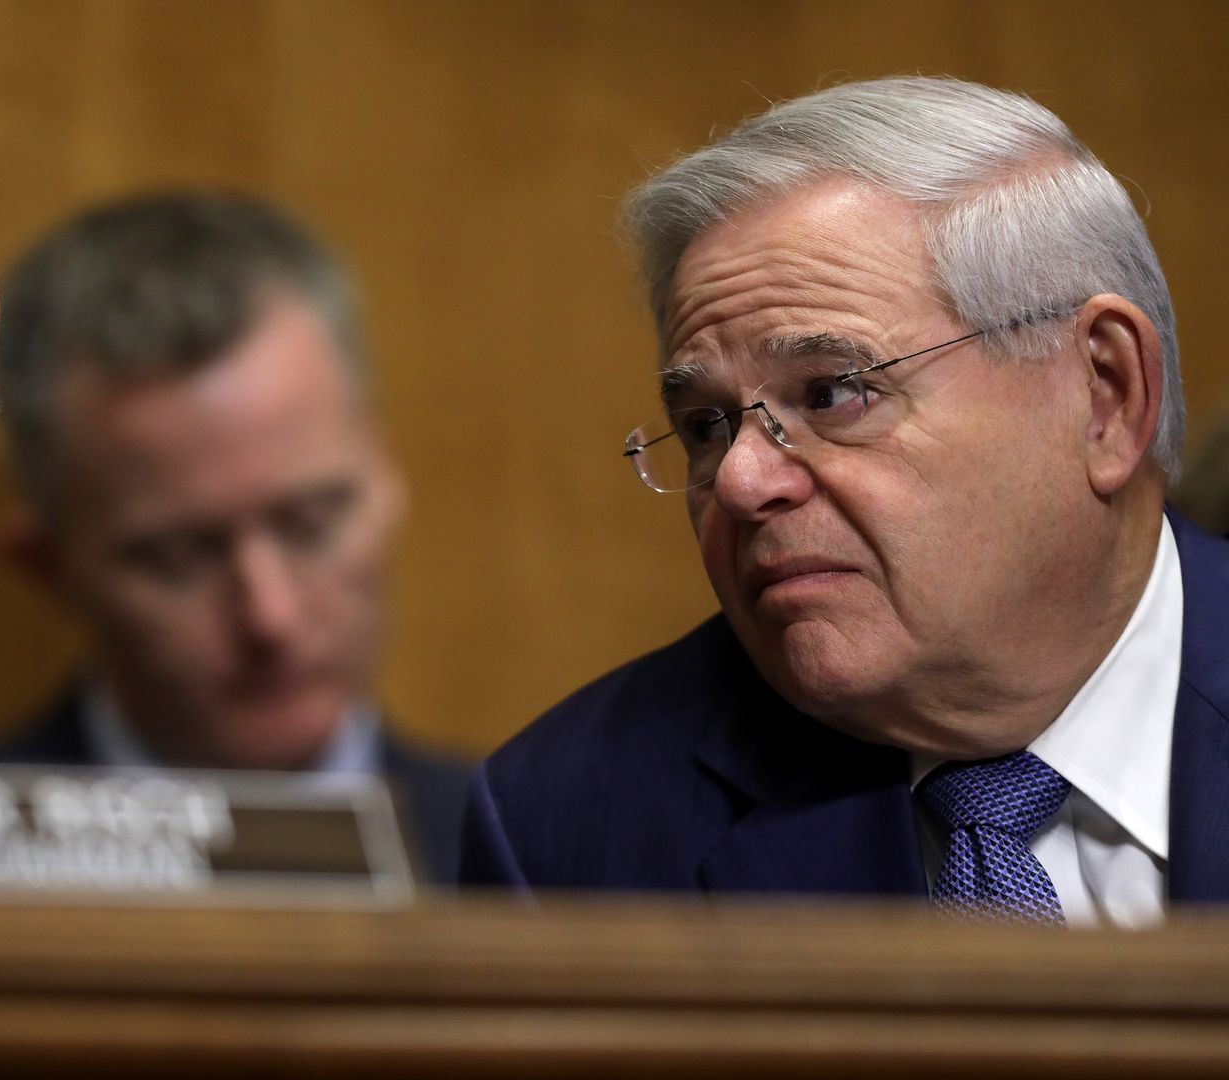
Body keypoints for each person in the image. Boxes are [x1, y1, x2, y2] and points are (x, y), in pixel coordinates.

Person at [463, 76, 1229, 925]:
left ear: (1105, 396)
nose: (742, 482)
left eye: (832, 394)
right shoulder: (571, 820)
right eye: (709, 425)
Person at [0, 193, 470, 884]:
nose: (271, 617)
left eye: (311, 522)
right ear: (49, 567)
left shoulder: (527, 857)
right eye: (180, 556)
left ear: (384, 480)